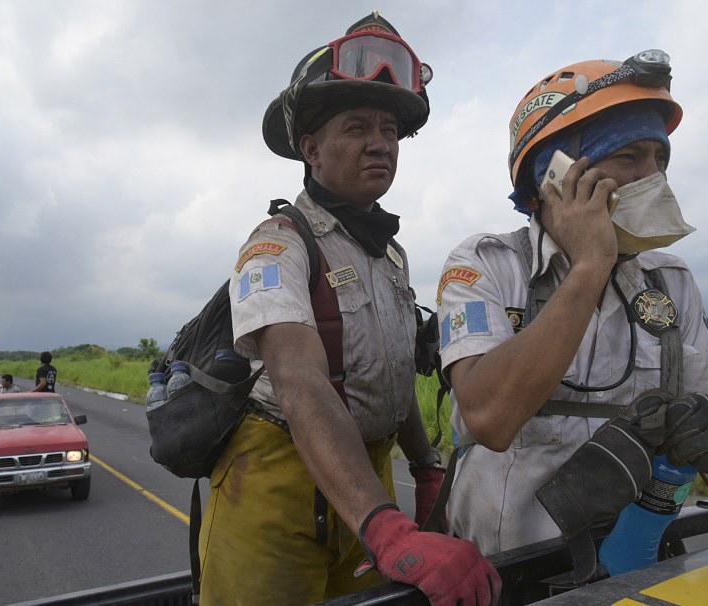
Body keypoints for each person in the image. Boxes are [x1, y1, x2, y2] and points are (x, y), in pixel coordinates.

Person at [199, 12, 499, 606]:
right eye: (358, 126)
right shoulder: (278, 242)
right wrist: (384, 526)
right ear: (310, 148)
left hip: (371, 477)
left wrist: (425, 463)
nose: (380, 143)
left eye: (389, 129)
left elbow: (387, 371)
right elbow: (298, 377)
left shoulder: (391, 254)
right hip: (274, 484)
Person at [436, 50, 708, 556]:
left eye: (660, 158)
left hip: (636, 557)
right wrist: (589, 265)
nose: (654, 176)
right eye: (628, 157)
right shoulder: (486, 264)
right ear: (557, 174)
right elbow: (488, 418)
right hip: (509, 561)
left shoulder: (671, 281)